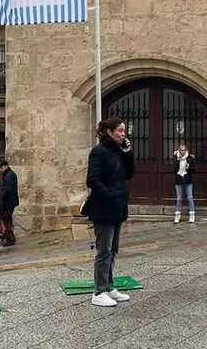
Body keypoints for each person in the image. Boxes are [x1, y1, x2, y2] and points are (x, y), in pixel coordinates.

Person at [84, 116, 136, 307]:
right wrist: (110, 195)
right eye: (120, 130)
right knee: (104, 250)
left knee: (113, 249)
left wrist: (128, 153)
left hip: (118, 206)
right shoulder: (98, 152)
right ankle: (98, 291)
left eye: (124, 130)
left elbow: (129, 173)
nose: (123, 134)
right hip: (104, 207)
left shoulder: (119, 151)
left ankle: (109, 286)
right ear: (109, 132)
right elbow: (92, 179)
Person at [173, 144, 196, 224]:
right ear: (179, 151)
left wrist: (188, 167)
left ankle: (192, 215)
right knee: (179, 198)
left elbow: (193, 170)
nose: (182, 152)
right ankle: (177, 216)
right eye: (181, 150)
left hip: (188, 180)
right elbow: (174, 170)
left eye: (183, 150)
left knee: (190, 197)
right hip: (179, 179)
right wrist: (177, 160)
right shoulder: (176, 158)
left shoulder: (190, 158)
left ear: (186, 150)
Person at [0, 160, 19, 246]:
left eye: (1, 168)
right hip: (8, 201)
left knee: (7, 220)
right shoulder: (7, 175)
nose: (0, 170)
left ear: (5, 166)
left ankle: (10, 239)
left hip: (9, 201)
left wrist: (1, 197)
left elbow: (8, 189)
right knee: (7, 220)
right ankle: (9, 237)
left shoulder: (10, 175)